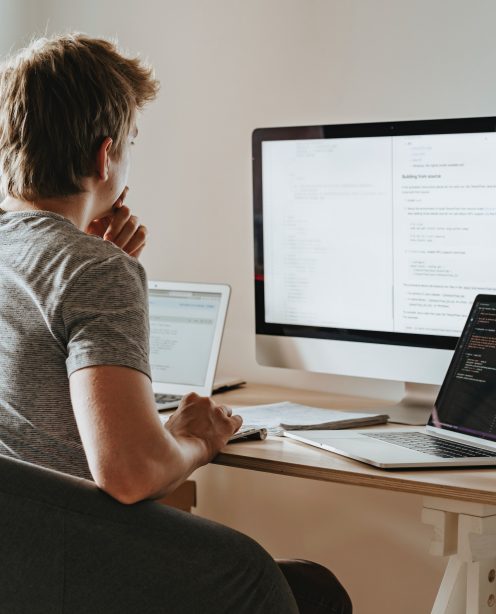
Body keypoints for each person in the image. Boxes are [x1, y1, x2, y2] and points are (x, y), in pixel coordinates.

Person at [0, 33, 352, 613]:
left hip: (17, 570)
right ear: (104, 155)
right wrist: (196, 436)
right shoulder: (93, 270)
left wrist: (90, 262)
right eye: (131, 143)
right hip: (70, 565)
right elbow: (131, 472)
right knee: (300, 589)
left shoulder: (75, 263)